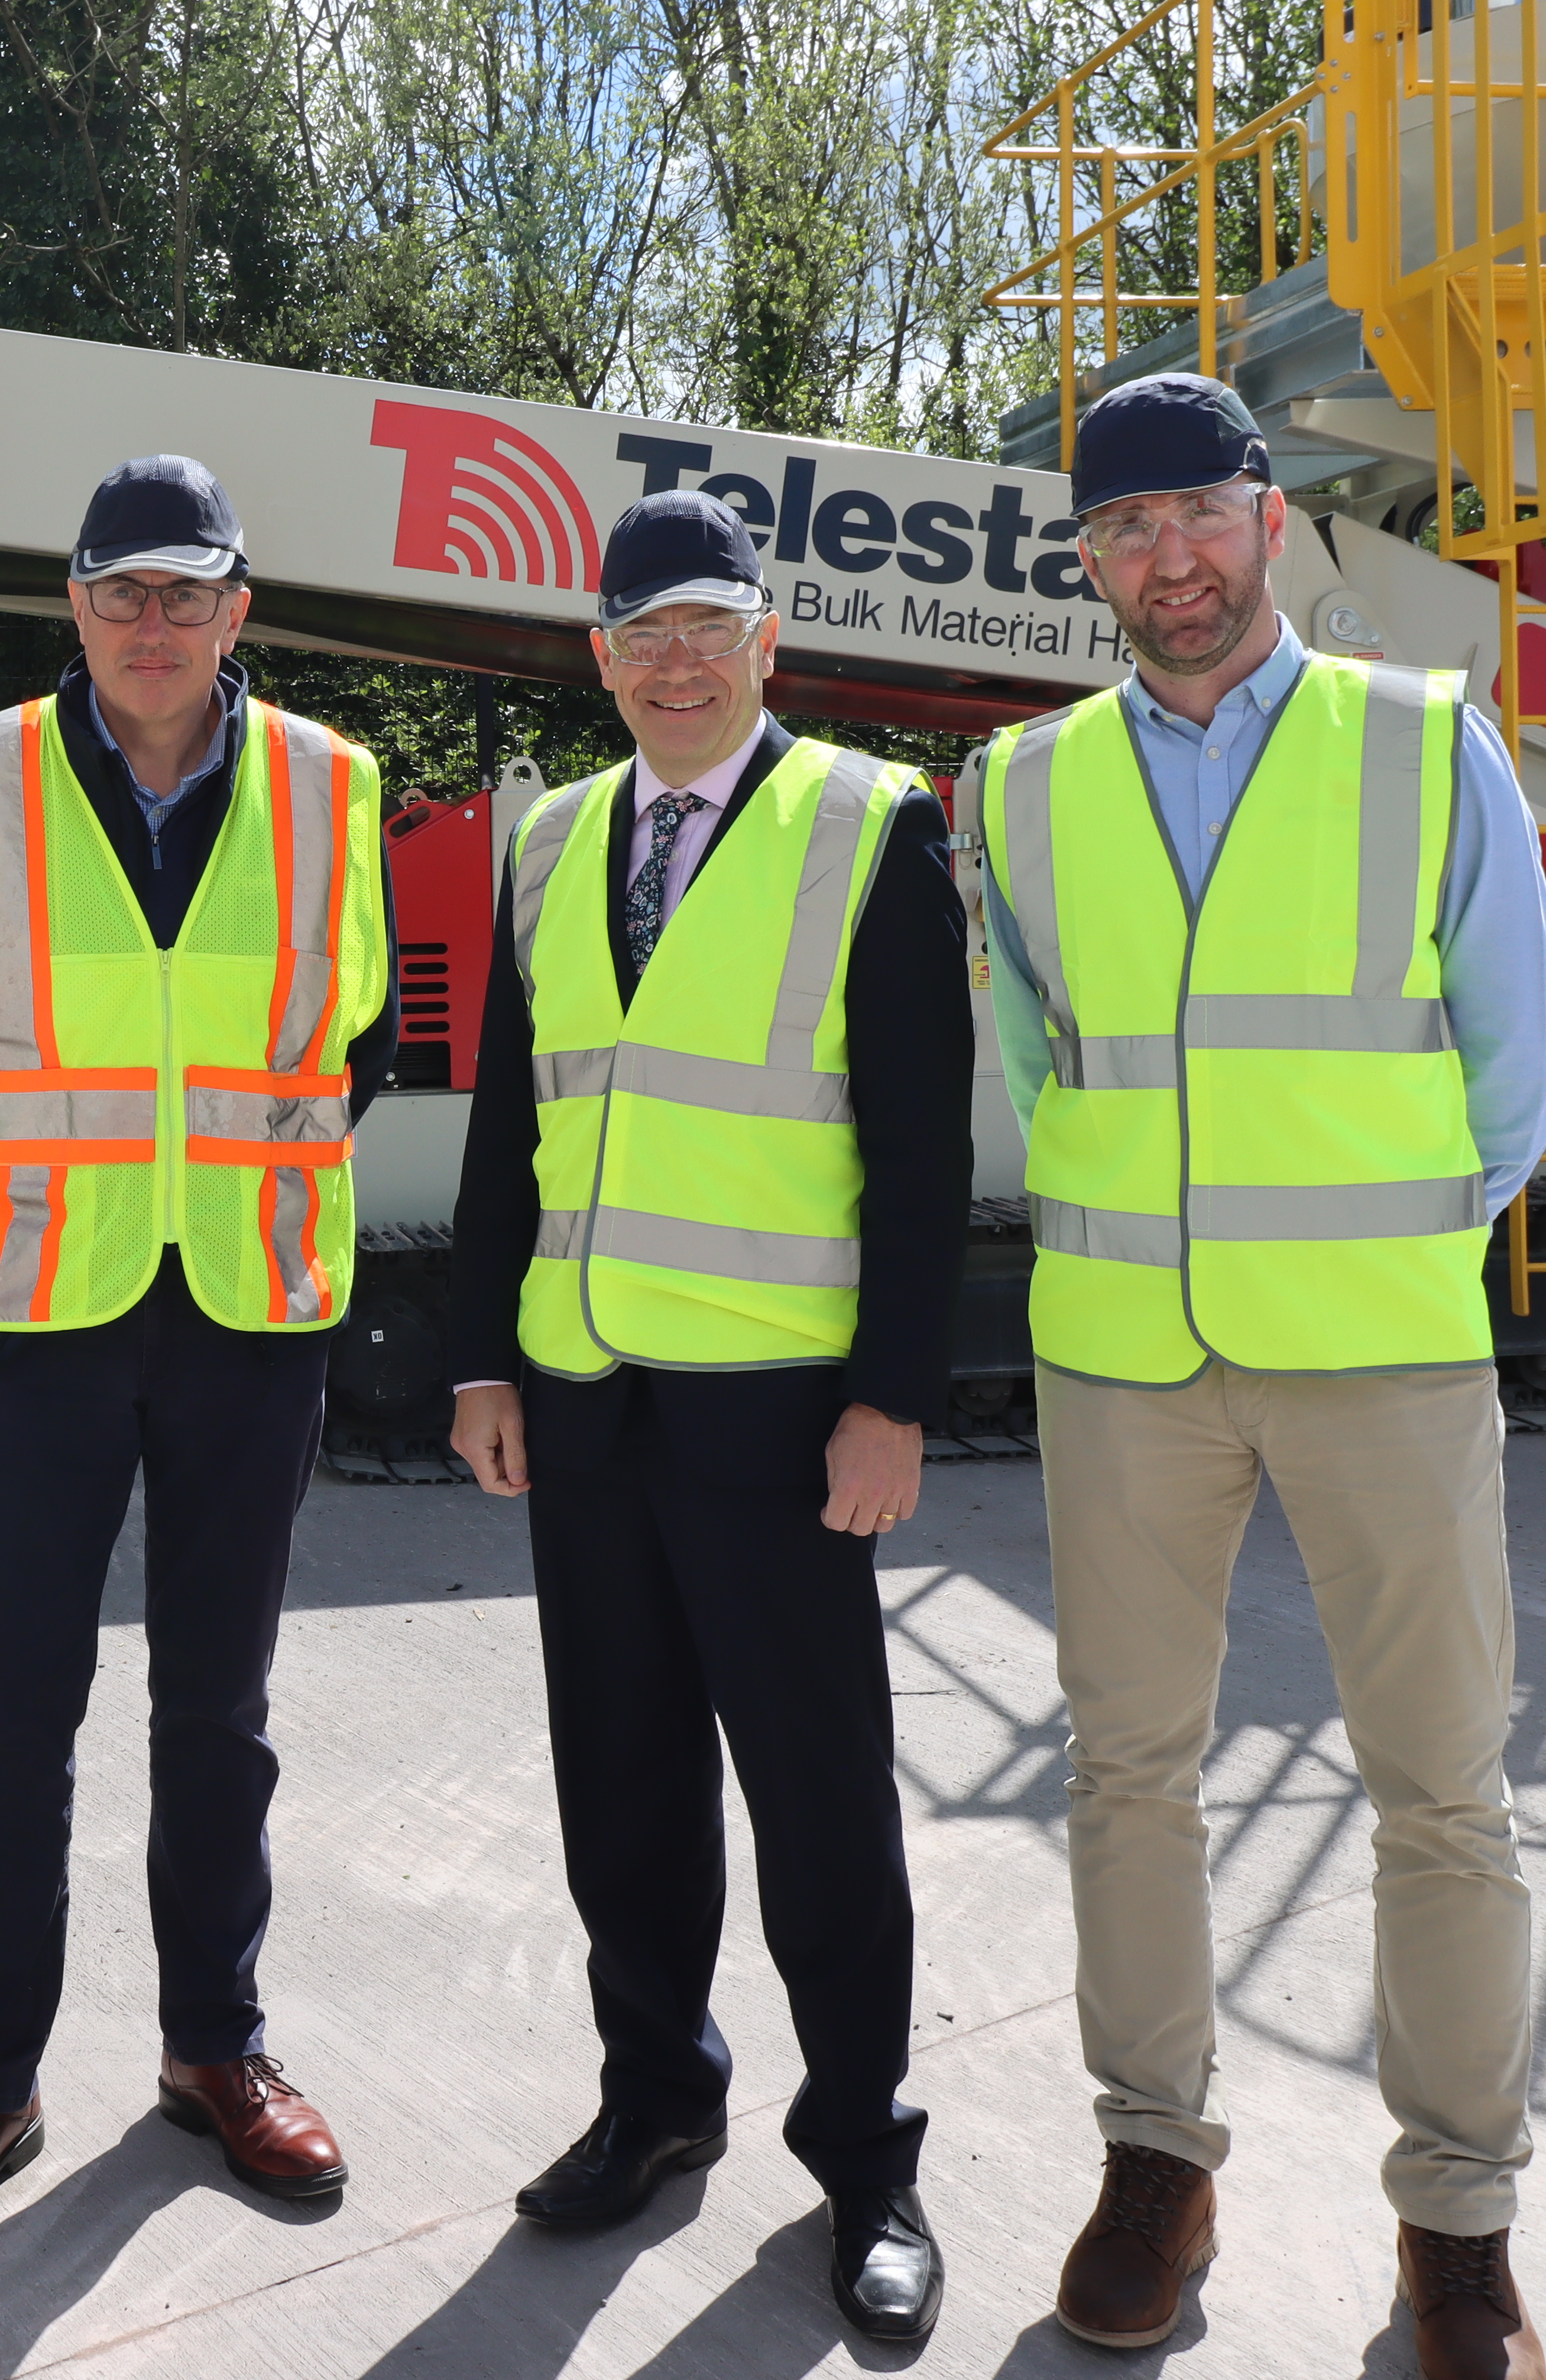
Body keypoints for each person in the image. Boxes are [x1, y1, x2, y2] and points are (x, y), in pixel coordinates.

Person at [971, 374, 1546, 2380]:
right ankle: (1158, 2164)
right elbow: (1041, 1060)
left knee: (1445, 1796)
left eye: (1204, 516)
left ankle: (1457, 2230)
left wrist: (1387, 1235)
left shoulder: (1423, 743)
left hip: (1384, 1350)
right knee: (1129, 1780)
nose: (1172, 560)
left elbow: (1520, 1059)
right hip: (1129, 1357)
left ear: (1274, 525)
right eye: (1127, 529)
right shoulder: (1025, 787)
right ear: (1085, 561)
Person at [442, 489, 977, 2349]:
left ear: (767, 645)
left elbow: (922, 1150)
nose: (674, 662)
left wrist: (894, 1400)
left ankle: (866, 2165)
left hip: (775, 1408)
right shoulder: (553, 838)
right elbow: (511, 1121)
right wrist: (483, 1359)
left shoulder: (865, 822)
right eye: (639, 634)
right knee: (626, 1789)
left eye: (707, 629)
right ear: (599, 658)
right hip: (583, 1400)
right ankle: (657, 2102)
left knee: (824, 1805)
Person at [0, 454, 399, 2260]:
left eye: (188, 592)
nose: (153, 623)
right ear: (72, 607)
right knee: (12, 1725)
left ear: (241, 609)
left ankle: (212, 2051)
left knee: (219, 1716)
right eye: (121, 591)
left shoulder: (336, 787)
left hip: (249, 1314)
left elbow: (359, 1045)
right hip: (33, 1315)